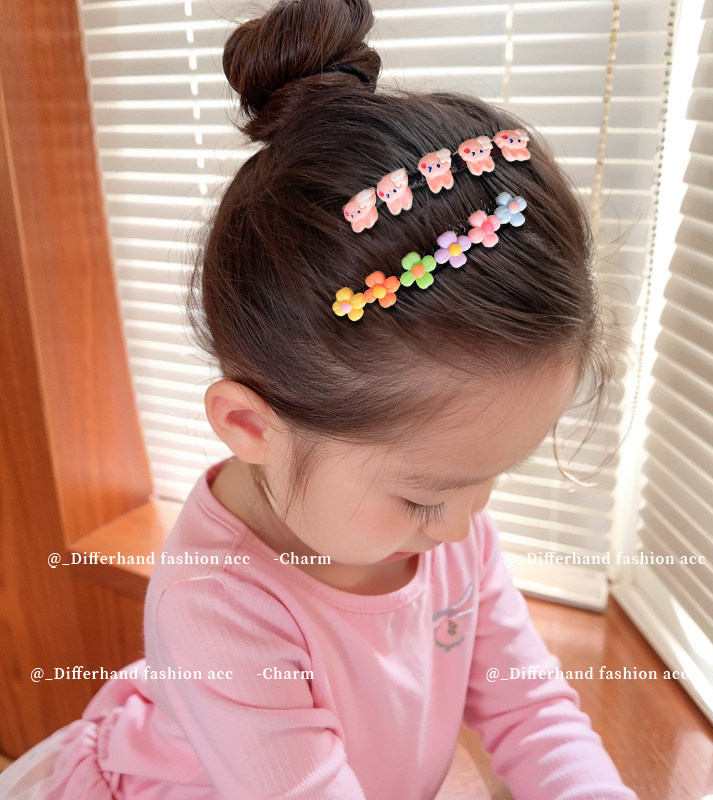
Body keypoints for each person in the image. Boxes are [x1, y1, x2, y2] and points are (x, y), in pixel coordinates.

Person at [0, 0, 638, 797]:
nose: (464, 525)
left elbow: (530, 710)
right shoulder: (214, 606)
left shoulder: (449, 521)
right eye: (424, 496)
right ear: (249, 425)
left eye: (491, 479)